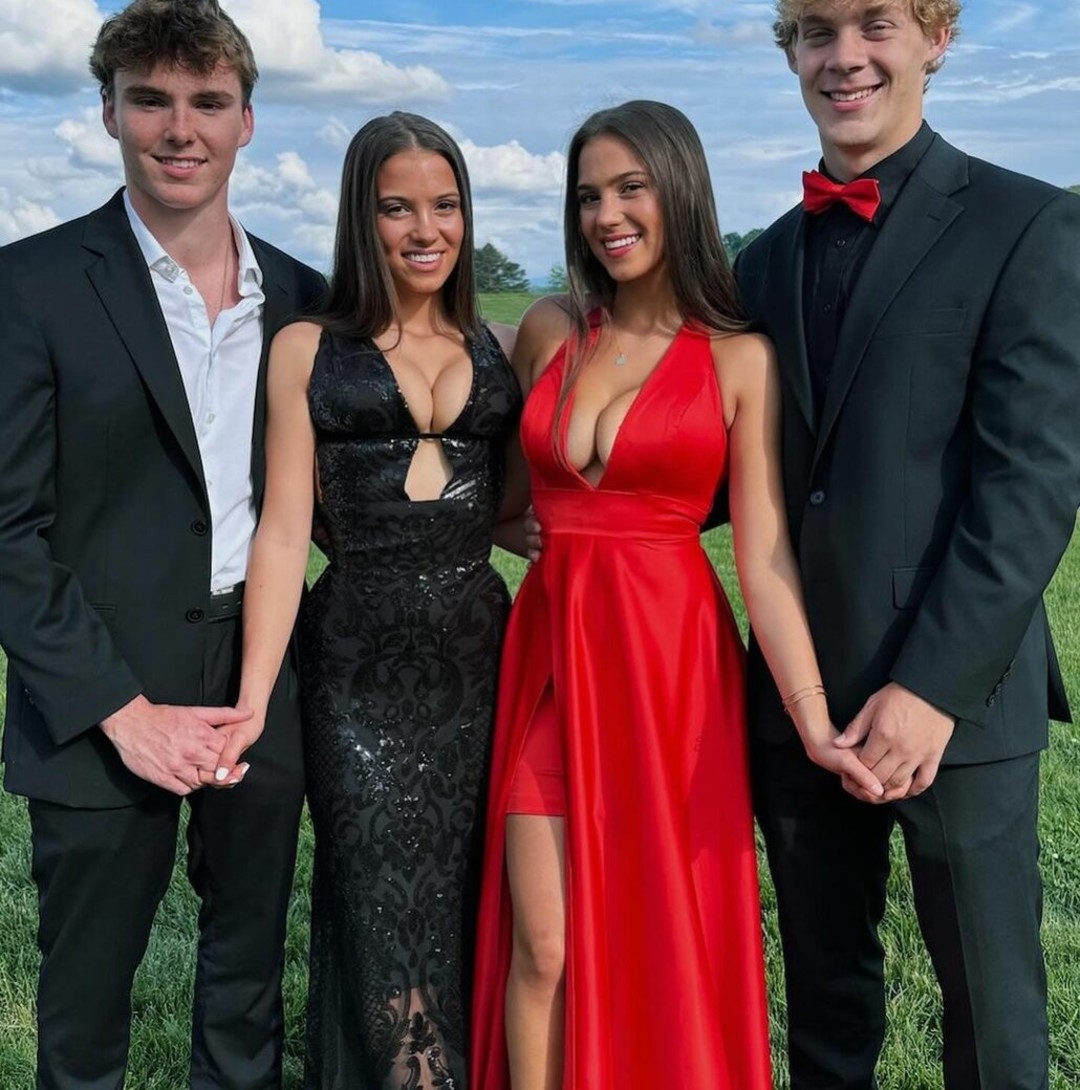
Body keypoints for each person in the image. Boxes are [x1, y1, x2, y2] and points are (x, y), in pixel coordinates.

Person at [470, 99, 883, 1090]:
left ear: (680, 191)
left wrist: (814, 720)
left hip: (672, 673)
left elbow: (765, 555)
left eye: (630, 189)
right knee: (543, 944)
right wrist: (527, 534)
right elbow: (501, 500)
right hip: (552, 661)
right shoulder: (549, 329)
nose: (606, 215)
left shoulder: (738, 357)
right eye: (588, 196)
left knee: (661, 931)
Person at [735, 3, 1080, 1087]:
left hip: (960, 703)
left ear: (937, 39)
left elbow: (1030, 483)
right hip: (801, 705)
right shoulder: (762, 261)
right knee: (825, 1009)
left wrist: (931, 689)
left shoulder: (1028, 223)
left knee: (993, 1017)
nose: (844, 57)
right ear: (790, 52)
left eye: (876, 24)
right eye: (816, 30)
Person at [0, 1, 324, 1086]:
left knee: (247, 989)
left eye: (208, 102)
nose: (180, 128)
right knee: (85, 1009)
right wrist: (121, 713)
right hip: (101, 690)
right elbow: (7, 531)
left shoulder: (306, 300)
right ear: (108, 112)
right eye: (151, 100)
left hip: (262, 678)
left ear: (247, 122)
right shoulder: (29, 287)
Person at [235, 111, 522, 1089]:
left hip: (480, 663)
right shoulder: (306, 349)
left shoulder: (501, 345)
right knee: (378, 910)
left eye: (445, 205)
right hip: (354, 671)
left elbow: (516, 504)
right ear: (361, 217)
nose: (425, 229)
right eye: (397, 208)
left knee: (474, 900)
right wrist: (254, 697)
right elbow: (283, 532)